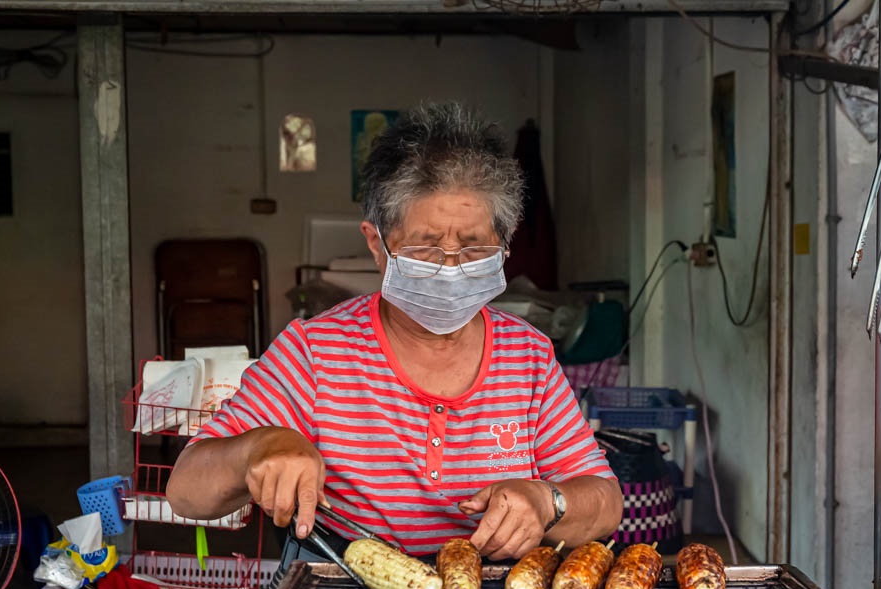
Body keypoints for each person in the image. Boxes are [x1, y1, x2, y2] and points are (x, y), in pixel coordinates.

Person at [166, 102, 622, 562]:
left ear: (504, 247)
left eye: (472, 248)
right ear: (377, 245)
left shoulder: (528, 357)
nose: (449, 267)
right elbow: (186, 491)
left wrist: (549, 501)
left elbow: (605, 501)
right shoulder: (315, 353)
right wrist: (258, 448)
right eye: (425, 248)